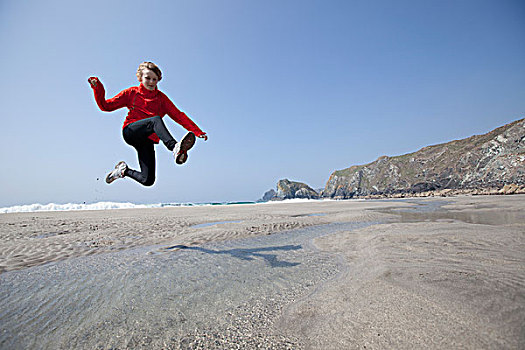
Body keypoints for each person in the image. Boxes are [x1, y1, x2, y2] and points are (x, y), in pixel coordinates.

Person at [88, 62, 207, 186]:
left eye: (154, 79)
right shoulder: (131, 93)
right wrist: (98, 88)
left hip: (147, 140)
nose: (151, 82)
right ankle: (174, 147)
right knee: (155, 120)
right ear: (140, 78)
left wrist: (197, 131)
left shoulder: (161, 99)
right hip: (131, 131)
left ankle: (123, 171)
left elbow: (178, 115)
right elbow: (106, 106)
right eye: (147, 78)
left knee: (148, 180)